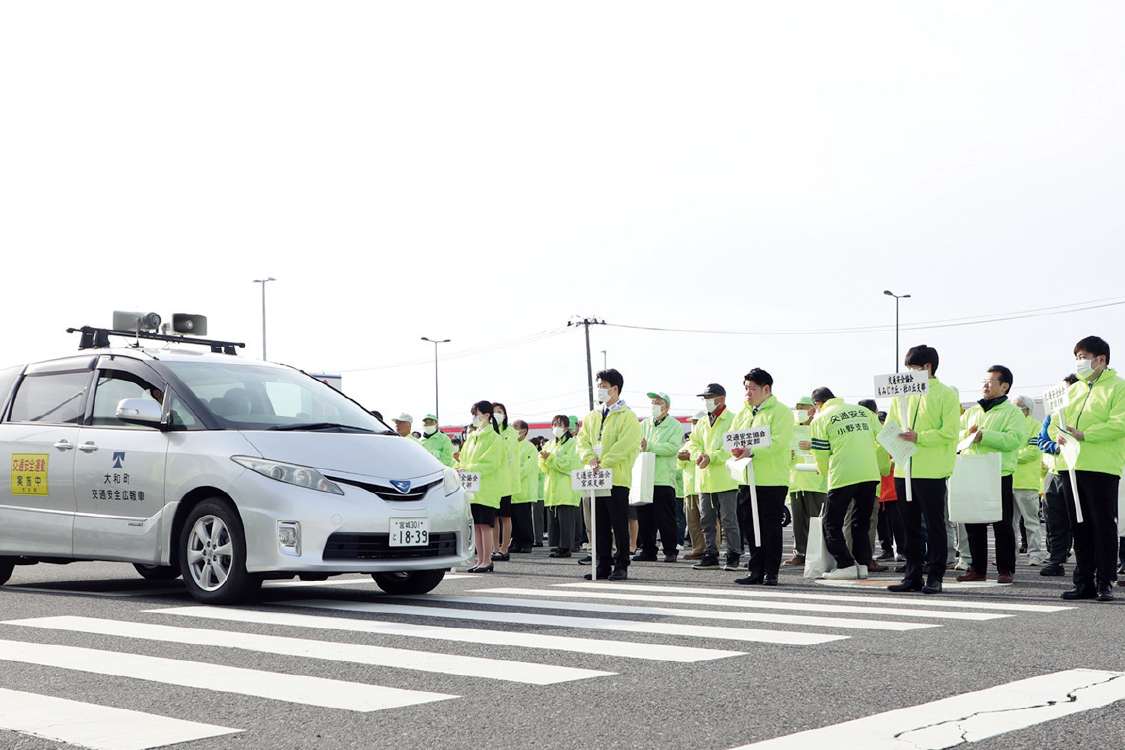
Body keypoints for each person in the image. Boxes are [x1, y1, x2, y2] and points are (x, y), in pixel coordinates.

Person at [885, 345, 961, 595]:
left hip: (932, 470)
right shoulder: (900, 396)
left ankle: (936, 575)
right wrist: (889, 440)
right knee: (908, 526)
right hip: (903, 469)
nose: (909, 373)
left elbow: (949, 431)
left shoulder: (946, 394)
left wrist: (919, 436)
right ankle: (912, 575)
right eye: (907, 368)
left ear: (928, 367)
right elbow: (890, 426)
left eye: (913, 368)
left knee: (934, 524)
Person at [1057, 336, 1125, 602]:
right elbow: (1054, 421)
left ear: (1101, 360)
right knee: (1079, 526)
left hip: (1101, 466)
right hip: (1071, 466)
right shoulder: (1072, 389)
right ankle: (1083, 581)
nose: (1079, 362)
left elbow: (1120, 423)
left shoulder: (1118, 387)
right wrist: (1057, 436)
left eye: (1083, 356)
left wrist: (1086, 434)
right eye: (1076, 357)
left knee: (1103, 526)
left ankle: (1105, 582)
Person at [957, 365, 1025, 584]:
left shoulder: (1012, 412)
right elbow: (956, 436)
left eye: (991, 382)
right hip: (973, 470)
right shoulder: (972, 411)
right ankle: (977, 568)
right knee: (973, 521)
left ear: (1005, 387)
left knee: (1002, 523)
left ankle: (1006, 569)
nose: (985, 386)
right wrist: (966, 435)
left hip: (998, 472)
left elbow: (1015, 440)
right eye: (984, 382)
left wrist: (983, 436)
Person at [810, 387, 884, 580]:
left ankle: (845, 564)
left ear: (817, 404)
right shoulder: (864, 412)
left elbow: (820, 453)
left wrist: (825, 472)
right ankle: (862, 564)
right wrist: (882, 467)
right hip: (870, 474)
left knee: (831, 523)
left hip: (843, 474)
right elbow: (883, 440)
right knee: (861, 523)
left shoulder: (821, 419)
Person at [576, 369, 642, 581]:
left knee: (618, 522)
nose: (600, 389)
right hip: (595, 477)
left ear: (615, 388)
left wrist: (604, 462)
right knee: (599, 522)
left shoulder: (628, 416)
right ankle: (603, 562)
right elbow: (582, 440)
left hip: (617, 477)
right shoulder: (592, 415)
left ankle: (622, 564)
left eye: (603, 385)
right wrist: (589, 458)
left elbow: (627, 444)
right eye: (598, 385)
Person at [729, 369, 793, 585]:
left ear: (766, 389)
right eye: (746, 388)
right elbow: (731, 439)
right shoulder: (742, 414)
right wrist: (736, 451)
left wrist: (752, 450)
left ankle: (771, 571)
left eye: (752, 388)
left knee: (770, 526)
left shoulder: (781, 412)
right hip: (748, 478)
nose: (748, 393)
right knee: (750, 525)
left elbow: (779, 442)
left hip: (772, 479)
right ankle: (755, 570)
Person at [689, 384, 742, 571]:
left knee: (729, 519)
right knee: (707, 520)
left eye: (709, 397)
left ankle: (734, 554)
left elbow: (732, 448)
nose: (706, 401)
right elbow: (692, 443)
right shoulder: (703, 422)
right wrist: (698, 454)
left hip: (726, 479)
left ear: (721, 398)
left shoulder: (734, 420)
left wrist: (712, 457)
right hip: (705, 479)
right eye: (704, 398)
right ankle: (710, 554)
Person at [454, 401, 505, 572]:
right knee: (476, 524)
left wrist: (467, 469)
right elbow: (465, 459)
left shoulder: (494, 438)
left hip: (487, 487)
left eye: (476, 414)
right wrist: (460, 466)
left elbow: (491, 463)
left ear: (486, 415)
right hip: (472, 488)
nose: (474, 418)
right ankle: (480, 559)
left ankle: (487, 560)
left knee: (486, 524)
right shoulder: (473, 437)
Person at [634, 392, 683, 563]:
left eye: (657, 402)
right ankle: (648, 550)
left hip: (663, 478)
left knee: (666, 517)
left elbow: (672, 448)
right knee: (645, 517)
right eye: (652, 402)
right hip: (644, 478)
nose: (653, 405)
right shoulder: (643, 424)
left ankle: (670, 550)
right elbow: (635, 445)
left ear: (666, 406)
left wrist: (650, 446)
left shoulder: (675, 426)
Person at [1038, 374, 1079, 577]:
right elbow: (1041, 441)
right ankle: (1056, 559)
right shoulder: (1052, 416)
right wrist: (1055, 446)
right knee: (1054, 519)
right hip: (1054, 474)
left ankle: (1086, 562)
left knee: (1079, 520)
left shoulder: (1083, 413)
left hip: (1078, 473)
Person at [785, 396, 826, 567]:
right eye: (797, 408)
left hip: (815, 481)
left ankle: (818, 555)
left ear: (812, 410)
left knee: (816, 521)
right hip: (796, 482)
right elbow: (783, 456)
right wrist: (789, 454)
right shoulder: (791, 430)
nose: (799, 412)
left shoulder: (820, 426)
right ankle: (800, 553)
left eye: (803, 408)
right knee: (798, 522)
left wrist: (813, 446)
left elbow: (828, 447)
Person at [540, 415, 582, 558]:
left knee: (566, 519)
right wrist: (547, 460)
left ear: (567, 428)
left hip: (566, 487)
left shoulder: (573, 444)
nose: (556, 427)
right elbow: (542, 465)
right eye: (554, 424)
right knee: (555, 519)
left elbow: (569, 463)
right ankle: (558, 545)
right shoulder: (550, 444)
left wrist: (550, 459)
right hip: (552, 486)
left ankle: (566, 547)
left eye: (560, 424)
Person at [1011, 394, 1045, 566]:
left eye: (1016, 406)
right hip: (1008, 480)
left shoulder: (1036, 426)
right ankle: (1010, 555)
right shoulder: (1009, 424)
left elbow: (1032, 453)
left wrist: (1008, 456)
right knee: (1009, 523)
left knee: (1030, 521)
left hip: (1026, 482)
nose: (1012, 408)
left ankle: (1035, 555)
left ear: (1026, 410)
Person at [489, 402, 517, 562]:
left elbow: (506, 451)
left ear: (505, 415)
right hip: (492, 481)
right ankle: (495, 548)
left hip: (505, 479)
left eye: (500, 411)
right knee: (493, 517)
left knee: (505, 516)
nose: (497, 414)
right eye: (494, 412)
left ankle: (504, 548)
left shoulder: (510, 431)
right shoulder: (489, 432)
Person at [678, 412, 706, 559]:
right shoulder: (688, 442)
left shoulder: (707, 439)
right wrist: (684, 457)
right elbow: (679, 463)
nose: (693, 425)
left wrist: (690, 456)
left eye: (696, 422)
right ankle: (698, 548)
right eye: (692, 422)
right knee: (693, 522)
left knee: (707, 520)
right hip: (689, 487)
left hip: (704, 485)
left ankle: (711, 548)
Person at [510, 420, 539, 553]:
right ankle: (516, 542)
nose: (513, 429)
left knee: (523, 519)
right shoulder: (511, 446)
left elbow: (528, 467)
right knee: (514, 520)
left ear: (524, 431)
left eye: (515, 427)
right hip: (512, 490)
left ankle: (527, 543)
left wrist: (513, 477)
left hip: (524, 489)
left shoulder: (530, 447)